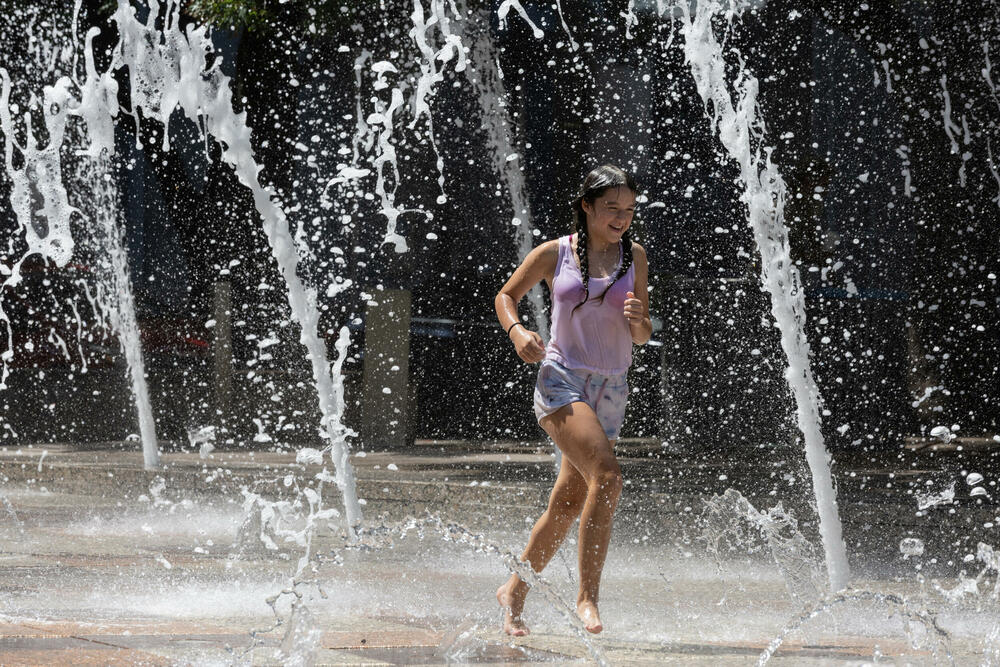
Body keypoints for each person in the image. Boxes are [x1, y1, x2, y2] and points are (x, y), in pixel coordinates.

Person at [493, 164, 652, 635]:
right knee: (608, 476)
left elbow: (641, 337)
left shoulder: (635, 256)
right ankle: (587, 597)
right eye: (611, 209)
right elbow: (506, 295)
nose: (621, 218)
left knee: (567, 502)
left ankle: (514, 590)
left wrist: (640, 319)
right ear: (587, 206)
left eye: (628, 210)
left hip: (612, 387)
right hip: (562, 379)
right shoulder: (554, 253)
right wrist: (517, 330)